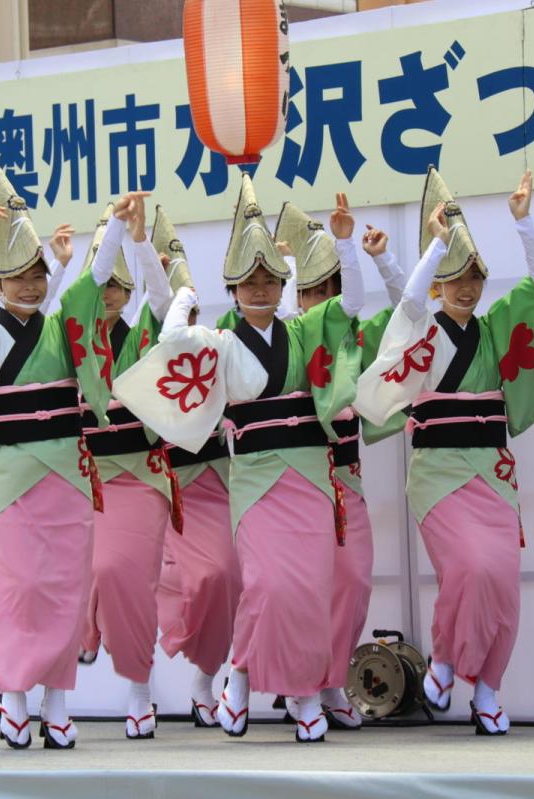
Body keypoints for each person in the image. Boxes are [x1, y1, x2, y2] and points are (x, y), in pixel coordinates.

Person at [113, 176, 364, 743]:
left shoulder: (303, 332)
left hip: (309, 480)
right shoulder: (221, 340)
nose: (257, 289)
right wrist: (173, 291)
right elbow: (170, 335)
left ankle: (283, 691)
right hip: (253, 480)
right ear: (231, 287)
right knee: (270, 586)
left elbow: (350, 305)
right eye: (246, 281)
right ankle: (256, 683)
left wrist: (345, 246)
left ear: (283, 285)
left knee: (305, 589)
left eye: (267, 280)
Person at [0, 159, 143, 750]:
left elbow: (98, 278)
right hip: (11, 480)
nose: (28, 285)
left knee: (67, 590)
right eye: (14, 276)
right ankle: (14, 696)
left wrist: (118, 226)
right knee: (20, 587)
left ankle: (56, 704)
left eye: (35, 274)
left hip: (66, 480)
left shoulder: (64, 324)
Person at [353, 168, 534, 735]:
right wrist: (431, 245)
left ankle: (487, 688)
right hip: (438, 474)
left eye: (474, 275)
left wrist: (524, 222)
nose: (466, 286)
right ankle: (443, 659)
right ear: (437, 280)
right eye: (453, 276)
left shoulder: (492, 330)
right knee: (469, 567)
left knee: (503, 583)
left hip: (492, 473)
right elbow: (407, 301)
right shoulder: (420, 330)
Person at [271, 202, 406, 730]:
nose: (321, 299)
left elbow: (410, 320)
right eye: (312, 289)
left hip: (344, 481)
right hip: (290, 483)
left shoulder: (354, 336)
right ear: (298, 294)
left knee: (352, 582)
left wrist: (378, 259)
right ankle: (298, 683)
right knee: (296, 586)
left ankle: (328, 680)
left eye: (330, 288)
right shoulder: (281, 339)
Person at [75, 195, 177, 740]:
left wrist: (137, 241)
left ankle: (139, 683)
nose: (109, 293)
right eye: (103, 284)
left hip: (139, 472)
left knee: (123, 574)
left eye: (119, 285)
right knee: (89, 571)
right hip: (82, 477)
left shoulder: (140, 336)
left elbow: (162, 300)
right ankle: (91, 630)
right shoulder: (72, 342)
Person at [150, 205, 243, 729]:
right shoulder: (140, 348)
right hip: (166, 484)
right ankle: (198, 677)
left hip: (218, 479)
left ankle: (213, 676)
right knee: (195, 578)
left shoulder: (213, 343)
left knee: (228, 575)